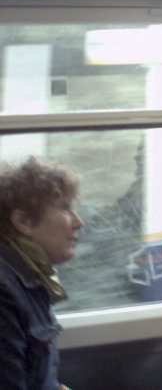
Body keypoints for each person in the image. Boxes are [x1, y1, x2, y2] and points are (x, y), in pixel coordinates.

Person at [0, 157, 84, 390]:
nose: (79, 222)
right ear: (23, 221)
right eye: (65, 208)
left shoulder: (28, 278)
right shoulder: (5, 291)